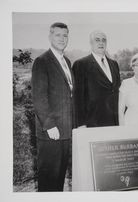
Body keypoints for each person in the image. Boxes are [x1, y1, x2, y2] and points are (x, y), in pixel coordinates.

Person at [31, 22, 75, 191]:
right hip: (51, 132)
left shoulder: (67, 62)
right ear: (50, 37)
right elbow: (39, 98)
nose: (62, 39)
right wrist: (50, 126)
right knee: (48, 180)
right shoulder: (42, 61)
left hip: (65, 132)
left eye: (65, 35)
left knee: (59, 178)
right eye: (57, 35)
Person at [73, 30, 120, 127]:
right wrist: (81, 123)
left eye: (104, 40)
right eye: (97, 40)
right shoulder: (81, 64)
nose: (101, 43)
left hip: (114, 121)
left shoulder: (114, 64)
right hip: (92, 122)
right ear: (91, 43)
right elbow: (78, 98)